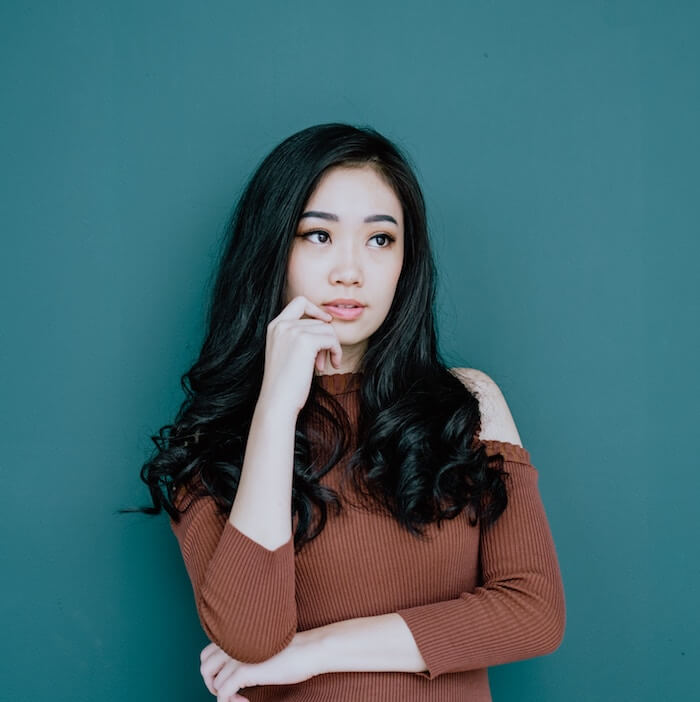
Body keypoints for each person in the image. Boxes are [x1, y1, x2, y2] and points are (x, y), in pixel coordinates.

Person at [127, 122, 565, 701]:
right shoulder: (213, 438)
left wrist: (315, 651)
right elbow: (251, 637)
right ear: (272, 248)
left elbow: (534, 611)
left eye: (380, 240)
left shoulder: (466, 404)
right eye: (318, 236)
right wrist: (277, 408)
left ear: (407, 261)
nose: (350, 271)